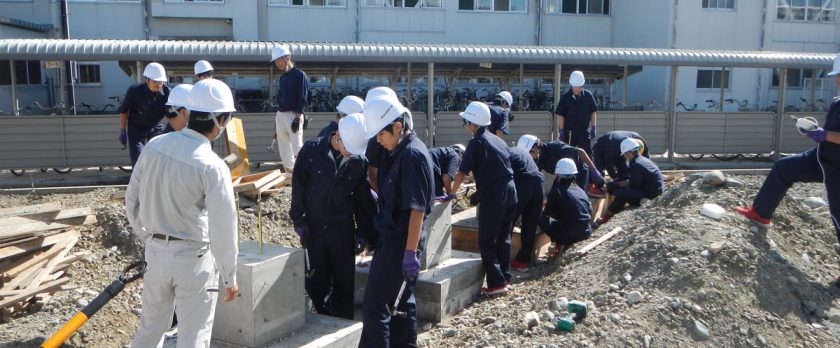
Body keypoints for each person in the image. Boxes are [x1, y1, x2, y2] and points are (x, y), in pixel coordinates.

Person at [126, 78, 239, 347]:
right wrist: (229, 275)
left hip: (155, 252)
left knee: (150, 329)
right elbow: (223, 226)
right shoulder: (211, 165)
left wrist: (148, 238)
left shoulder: (155, 145)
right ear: (219, 120)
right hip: (193, 259)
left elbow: (131, 201)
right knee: (193, 337)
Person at [735, 52, 840, 251]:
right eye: (836, 75)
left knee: (838, 217)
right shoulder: (838, 101)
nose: (836, 79)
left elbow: (831, 135)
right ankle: (760, 213)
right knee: (784, 168)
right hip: (821, 158)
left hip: (837, 168)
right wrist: (814, 131)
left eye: (839, 75)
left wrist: (824, 135)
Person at [359, 95, 434, 347]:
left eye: (381, 134)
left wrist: (410, 253)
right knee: (401, 304)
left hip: (400, 245)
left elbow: (417, 210)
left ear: (398, 127)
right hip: (392, 239)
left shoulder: (412, 156)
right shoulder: (397, 151)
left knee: (375, 307)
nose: (379, 140)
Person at [290, 113, 376, 320]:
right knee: (316, 280)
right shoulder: (311, 151)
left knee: (344, 281)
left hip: (342, 229)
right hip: (315, 228)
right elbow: (298, 188)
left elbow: (363, 201)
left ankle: (343, 326)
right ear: (337, 135)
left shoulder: (358, 161)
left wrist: (362, 232)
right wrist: (298, 220)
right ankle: (319, 321)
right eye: (348, 149)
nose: (350, 154)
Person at [450, 101, 517, 295]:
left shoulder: (477, 142)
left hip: (495, 195)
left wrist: (451, 194)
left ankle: (497, 283)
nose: (465, 125)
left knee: (486, 241)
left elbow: (461, 173)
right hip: (511, 191)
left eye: (466, 121)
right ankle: (505, 276)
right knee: (504, 237)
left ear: (473, 123)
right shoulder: (498, 140)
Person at [599, 138, 664, 225]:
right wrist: (614, 183)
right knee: (617, 187)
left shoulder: (637, 165)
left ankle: (607, 217)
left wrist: (614, 185)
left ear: (629, 153)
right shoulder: (641, 160)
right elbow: (629, 178)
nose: (625, 157)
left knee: (621, 194)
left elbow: (633, 186)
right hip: (655, 190)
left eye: (625, 154)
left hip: (651, 195)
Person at [117, 62, 170, 166]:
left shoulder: (167, 93)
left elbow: (174, 114)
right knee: (138, 159)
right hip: (136, 128)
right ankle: (138, 181)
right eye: (155, 81)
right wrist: (122, 131)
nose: (159, 85)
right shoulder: (134, 91)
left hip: (155, 126)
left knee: (161, 156)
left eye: (161, 82)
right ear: (146, 79)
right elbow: (124, 111)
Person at [524, 134, 605, 198]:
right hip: (562, 177)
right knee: (553, 197)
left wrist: (593, 170)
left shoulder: (554, 148)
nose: (528, 157)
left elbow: (580, 151)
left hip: (579, 172)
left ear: (535, 149)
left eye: (528, 154)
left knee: (578, 197)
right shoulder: (537, 158)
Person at [540, 158, 593, 256]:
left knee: (540, 217)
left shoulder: (558, 192)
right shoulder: (580, 190)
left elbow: (547, 213)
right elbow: (589, 211)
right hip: (586, 232)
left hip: (569, 236)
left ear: (558, 175)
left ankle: (558, 243)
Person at [508, 135, 544, 272]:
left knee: (508, 222)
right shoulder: (528, 160)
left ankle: (502, 261)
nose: (537, 153)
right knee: (530, 225)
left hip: (523, 186)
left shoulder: (510, 153)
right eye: (535, 150)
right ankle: (522, 262)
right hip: (537, 185)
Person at [271, 45, 309, 173]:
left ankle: (303, 175)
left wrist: (298, 118)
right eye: (275, 61)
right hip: (281, 114)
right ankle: (290, 176)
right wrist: (278, 120)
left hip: (294, 115)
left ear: (287, 57)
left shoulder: (300, 75)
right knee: (284, 148)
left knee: (297, 147)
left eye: (278, 60)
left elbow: (303, 97)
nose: (277, 63)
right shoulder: (283, 77)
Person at [364, 87, 399, 193]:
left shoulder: (387, 127)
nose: (379, 139)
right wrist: (382, 196)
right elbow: (372, 173)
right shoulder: (375, 137)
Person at [555, 70, 598, 155]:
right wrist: (562, 130)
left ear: (582, 84)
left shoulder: (588, 95)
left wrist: (594, 127)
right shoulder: (565, 98)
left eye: (579, 86)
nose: (577, 88)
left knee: (587, 154)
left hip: (584, 130)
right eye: (575, 86)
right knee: (569, 154)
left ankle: (588, 168)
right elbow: (561, 115)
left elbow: (593, 112)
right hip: (569, 131)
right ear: (571, 85)